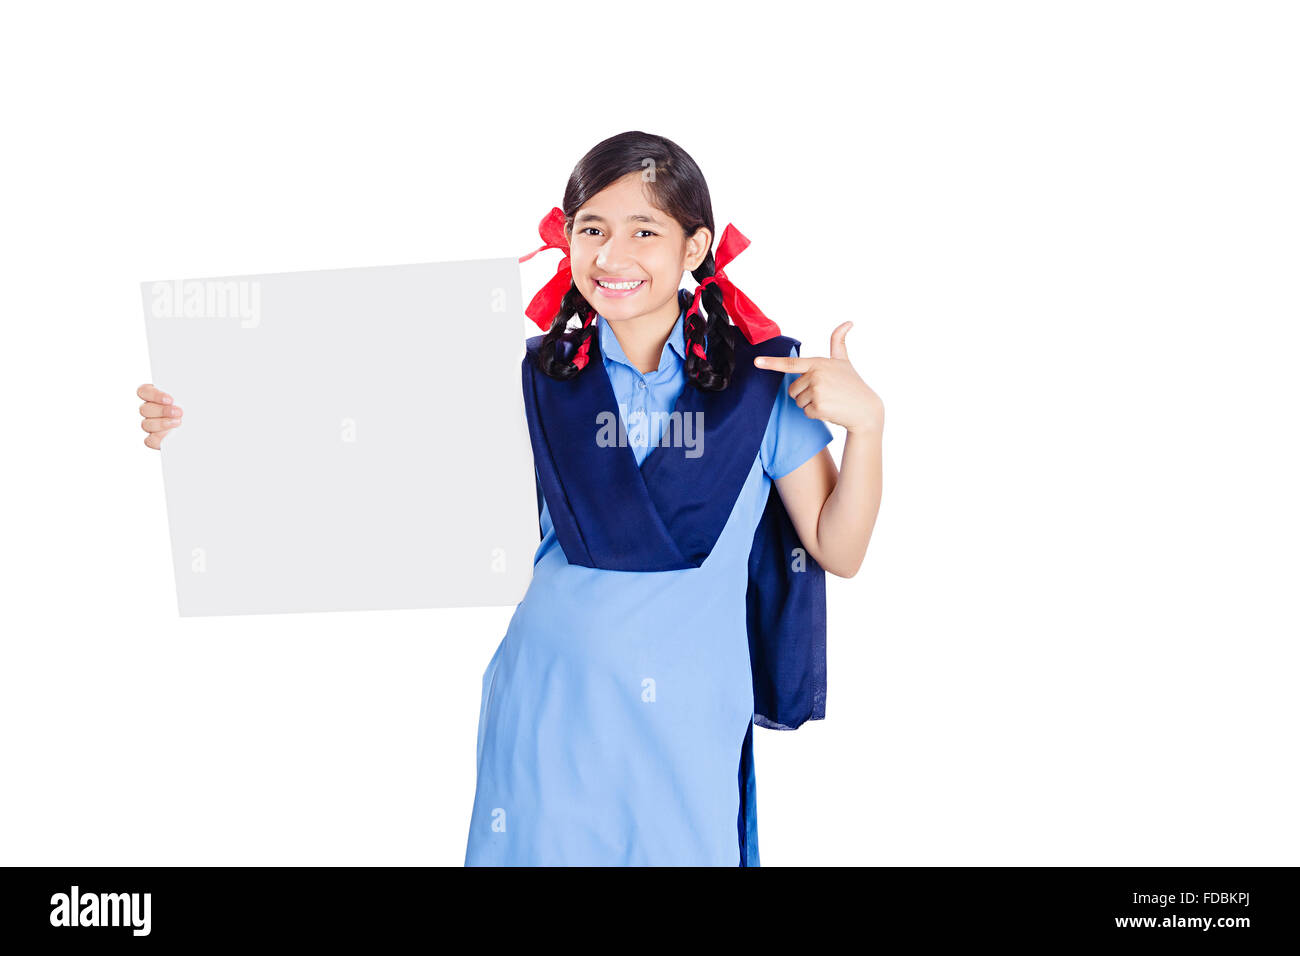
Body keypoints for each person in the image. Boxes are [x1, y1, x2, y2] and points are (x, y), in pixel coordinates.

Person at [136, 130, 885, 866]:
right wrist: (208, 425)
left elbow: (837, 548)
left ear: (695, 249)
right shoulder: (538, 379)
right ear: (566, 242)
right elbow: (372, 453)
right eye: (590, 229)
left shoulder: (762, 385)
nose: (612, 255)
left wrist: (868, 424)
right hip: (547, 706)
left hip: (688, 720)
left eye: (643, 230)